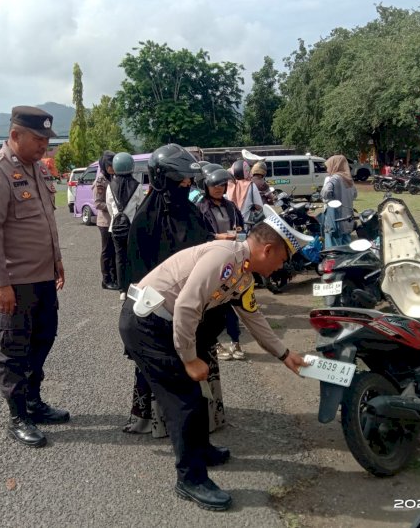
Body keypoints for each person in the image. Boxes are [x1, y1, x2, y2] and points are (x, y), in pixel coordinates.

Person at [118, 217, 310, 511]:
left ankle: (201, 450)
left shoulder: (243, 274)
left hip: (162, 323)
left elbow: (253, 318)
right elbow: (186, 306)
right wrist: (189, 358)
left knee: (194, 394)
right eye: (282, 259)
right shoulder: (226, 257)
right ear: (268, 250)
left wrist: (285, 354)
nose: (280, 268)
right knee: (184, 401)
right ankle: (190, 480)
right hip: (146, 324)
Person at [0, 105, 68, 448]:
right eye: (38, 139)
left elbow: (48, 220)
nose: (45, 145)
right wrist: (1, 283)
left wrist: (57, 260)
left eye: (47, 139)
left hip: (42, 277)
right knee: (14, 349)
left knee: (43, 339)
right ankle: (17, 417)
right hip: (14, 282)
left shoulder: (38, 170)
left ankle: (33, 401)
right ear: (14, 135)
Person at [124, 143, 212, 437]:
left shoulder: (192, 212)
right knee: (154, 360)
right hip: (156, 307)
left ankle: (202, 419)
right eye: (181, 180)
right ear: (163, 180)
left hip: (194, 303)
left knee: (195, 353)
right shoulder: (145, 222)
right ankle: (150, 418)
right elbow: (137, 272)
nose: (187, 185)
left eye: (189, 180)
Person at [197, 166, 247, 361]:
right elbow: (200, 236)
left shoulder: (230, 206)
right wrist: (220, 237)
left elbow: (242, 225)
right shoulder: (200, 208)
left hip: (232, 259)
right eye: (214, 185)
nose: (219, 188)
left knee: (233, 300)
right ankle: (215, 342)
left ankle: (235, 341)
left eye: (222, 185)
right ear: (205, 186)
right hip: (211, 260)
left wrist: (239, 230)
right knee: (212, 303)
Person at [106, 152, 145, 301]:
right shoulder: (137, 185)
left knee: (119, 257)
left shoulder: (110, 186)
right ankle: (133, 285)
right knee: (133, 256)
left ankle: (122, 289)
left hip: (115, 228)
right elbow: (140, 207)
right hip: (132, 228)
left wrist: (116, 220)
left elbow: (110, 208)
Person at [93, 150, 119, 290]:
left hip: (114, 221)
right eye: (110, 165)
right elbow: (97, 203)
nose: (112, 168)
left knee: (115, 251)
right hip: (105, 222)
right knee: (107, 251)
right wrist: (113, 207)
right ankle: (106, 279)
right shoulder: (101, 181)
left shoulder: (113, 178)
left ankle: (115, 278)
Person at [321, 154, 357, 248]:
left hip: (335, 220)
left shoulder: (335, 178)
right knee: (347, 249)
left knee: (333, 251)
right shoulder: (349, 180)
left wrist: (331, 196)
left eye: (329, 166)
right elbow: (355, 195)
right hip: (348, 219)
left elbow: (324, 193)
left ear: (335, 165)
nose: (327, 169)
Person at [226, 159, 263, 226]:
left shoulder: (229, 185)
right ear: (247, 171)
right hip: (246, 225)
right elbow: (259, 206)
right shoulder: (251, 185)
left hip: (230, 225)